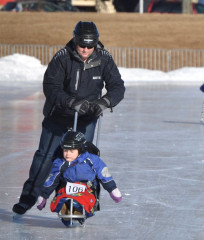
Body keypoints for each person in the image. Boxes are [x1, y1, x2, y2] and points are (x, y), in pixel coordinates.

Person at [12, 21, 125, 215]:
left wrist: (104, 102)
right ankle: (28, 198)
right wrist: (70, 102)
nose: (86, 50)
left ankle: (77, 200)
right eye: (82, 45)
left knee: (80, 161)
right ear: (75, 41)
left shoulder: (104, 58)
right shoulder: (62, 58)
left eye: (90, 46)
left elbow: (117, 86)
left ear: (96, 43)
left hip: (86, 119)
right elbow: (50, 86)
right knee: (46, 158)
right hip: (58, 116)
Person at [36, 130, 122, 226]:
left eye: (71, 151)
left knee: (84, 199)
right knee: (62, 198)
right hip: (66, 189)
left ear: (80, 149)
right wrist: (43, 195)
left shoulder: (92, 160)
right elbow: (52, 180)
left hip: (87, 189)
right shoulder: (60, 162)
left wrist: (112, 189)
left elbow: (104, 174)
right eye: (65, 150)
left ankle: (80, 208)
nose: (67, 154)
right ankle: (66, 210)